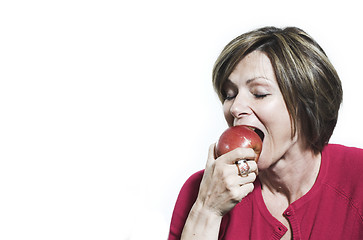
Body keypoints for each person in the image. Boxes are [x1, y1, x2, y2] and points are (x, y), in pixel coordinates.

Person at [168, 26, 363, 239]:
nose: (235, 108)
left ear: (305, 104)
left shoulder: (357, 175)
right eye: (229, 94)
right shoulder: (199, 191)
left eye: (259, 93)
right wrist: (207, 209)